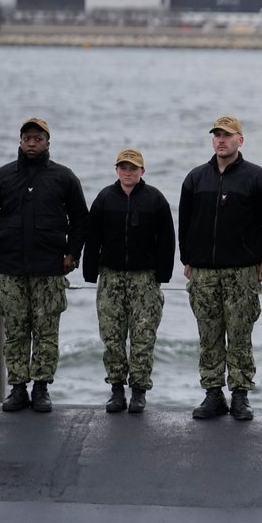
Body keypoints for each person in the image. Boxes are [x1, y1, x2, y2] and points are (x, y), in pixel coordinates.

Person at [179, 114, 262, 421]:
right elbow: (185, 222)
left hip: (242, 271)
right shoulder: (196, 178)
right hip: (204, 271)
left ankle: (240, 395)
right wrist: (188, 259)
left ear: (240, 140)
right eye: (217, 135)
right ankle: (213, 394)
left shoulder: (256, 177)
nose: (221, 140)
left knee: (239, 334)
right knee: (208, 334)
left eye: (227, 135)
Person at [0, 117, 87, 413]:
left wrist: (72, 255)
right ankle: (18, 388)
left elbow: (80, 219)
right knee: (15, 330)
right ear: (20, 142)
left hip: (49, 269)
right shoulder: (1, 177)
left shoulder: (64, 177)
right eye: (27, 138)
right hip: (11, 268)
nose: (31, 143)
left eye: (38, 139)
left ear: (48, 143)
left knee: (46, 331)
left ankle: (41, 388)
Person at [83, 149, 175, 414]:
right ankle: (116, 390)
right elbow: (93, 237)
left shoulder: (155, 199)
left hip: (144, 278)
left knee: (143, 337)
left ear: (142, 171)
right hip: (111, 277)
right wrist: (90, 272)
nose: (128, 172)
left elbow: (167, 239)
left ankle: (139, 391)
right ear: (116, 170)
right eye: (123, 167)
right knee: (111, 336)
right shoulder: (104, 198)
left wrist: (163, 274)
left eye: (133, 168)